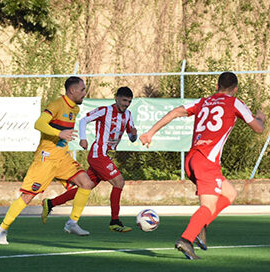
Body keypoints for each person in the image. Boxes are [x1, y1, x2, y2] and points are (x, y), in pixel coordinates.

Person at [139, 72, 265, 259]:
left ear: (217, 86)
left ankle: (200, 226)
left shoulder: (204, 101)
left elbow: (175, 112)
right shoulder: (234, 102)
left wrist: (150, 133)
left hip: (192, 159)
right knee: (208, 205)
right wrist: (261, 117)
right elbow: (258, 129)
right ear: (235, 89)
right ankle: (187, 239)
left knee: (230, 193)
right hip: (207, 161)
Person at [0, 76, 95, 244]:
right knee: (27, 197)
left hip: (63, 158)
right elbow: (39, 124)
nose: (85, 92)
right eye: (83, 89)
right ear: (72, 90)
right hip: (46, 160)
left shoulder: (74, 110)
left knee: (86, 183)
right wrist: (59, 133)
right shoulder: (56, 105)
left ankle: (72, 223)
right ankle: (2, 228)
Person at [41, 87, 138, 232]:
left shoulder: (128, 115)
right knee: (119, 182)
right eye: (124, 100)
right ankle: (115, 221)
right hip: (98, 154)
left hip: (105, 156)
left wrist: (134, 135)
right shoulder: (105, 111)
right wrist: (83, 139)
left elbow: (131, 137)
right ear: (116, 98)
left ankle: (50, 203)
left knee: (85, 187)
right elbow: (84, 120)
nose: (126, 104)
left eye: (129, 102)